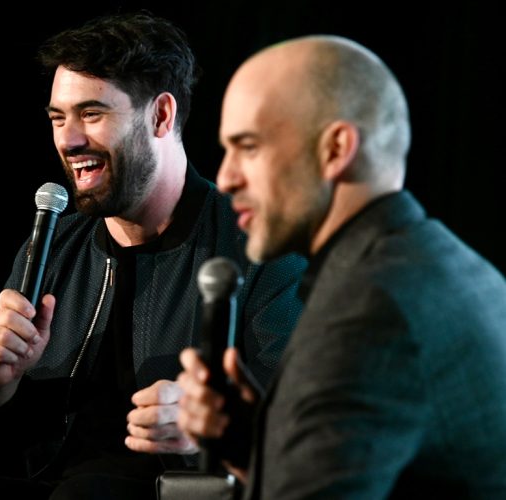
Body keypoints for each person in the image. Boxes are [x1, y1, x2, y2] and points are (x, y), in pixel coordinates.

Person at [0, 12, 306, 500]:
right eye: (58, 117)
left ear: (161, 115)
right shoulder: (53, 246)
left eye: (92, 114)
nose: (69, 140)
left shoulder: (259, 247)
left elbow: (301, 426)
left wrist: (207, 428)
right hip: (51, 484)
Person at [177, 35, 506, 499]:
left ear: (335, 149)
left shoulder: (367, 312)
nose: (226, 178)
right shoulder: (450, 265)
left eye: (247, 147)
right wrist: (260, 444)